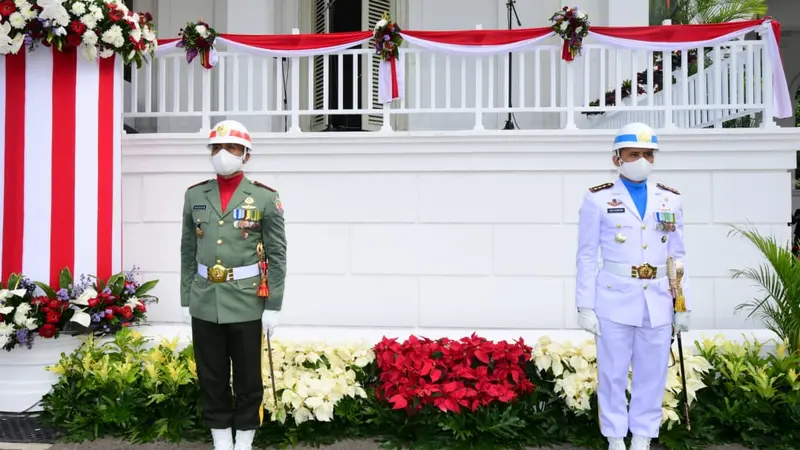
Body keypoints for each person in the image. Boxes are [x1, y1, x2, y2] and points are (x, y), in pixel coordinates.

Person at [574, 122, 691, 450]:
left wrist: (681, 304)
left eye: (648, 154)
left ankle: (641, 437)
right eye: (634, 153)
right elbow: (586, 255)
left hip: (657, 298)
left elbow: (677, 257)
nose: (642, 159)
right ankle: (614, 437)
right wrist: (584, 305)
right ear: (618, 158)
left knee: (652, 374)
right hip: (613, 298)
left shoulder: (670, 199)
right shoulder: (598, 199)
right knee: (612, 372)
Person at [180, 120, 287, 450]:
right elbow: (187, 249)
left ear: (246, 155)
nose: (223, 154)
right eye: (216, 148)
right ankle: (221, 440)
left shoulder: (265, 198)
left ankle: (244, 440)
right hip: (204, 299)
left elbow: (277, 254)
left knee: (247, 378)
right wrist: (186, 298)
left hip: (246, 299)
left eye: (232, 148)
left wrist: (274, 305)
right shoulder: (195, 194)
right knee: (211, 376)